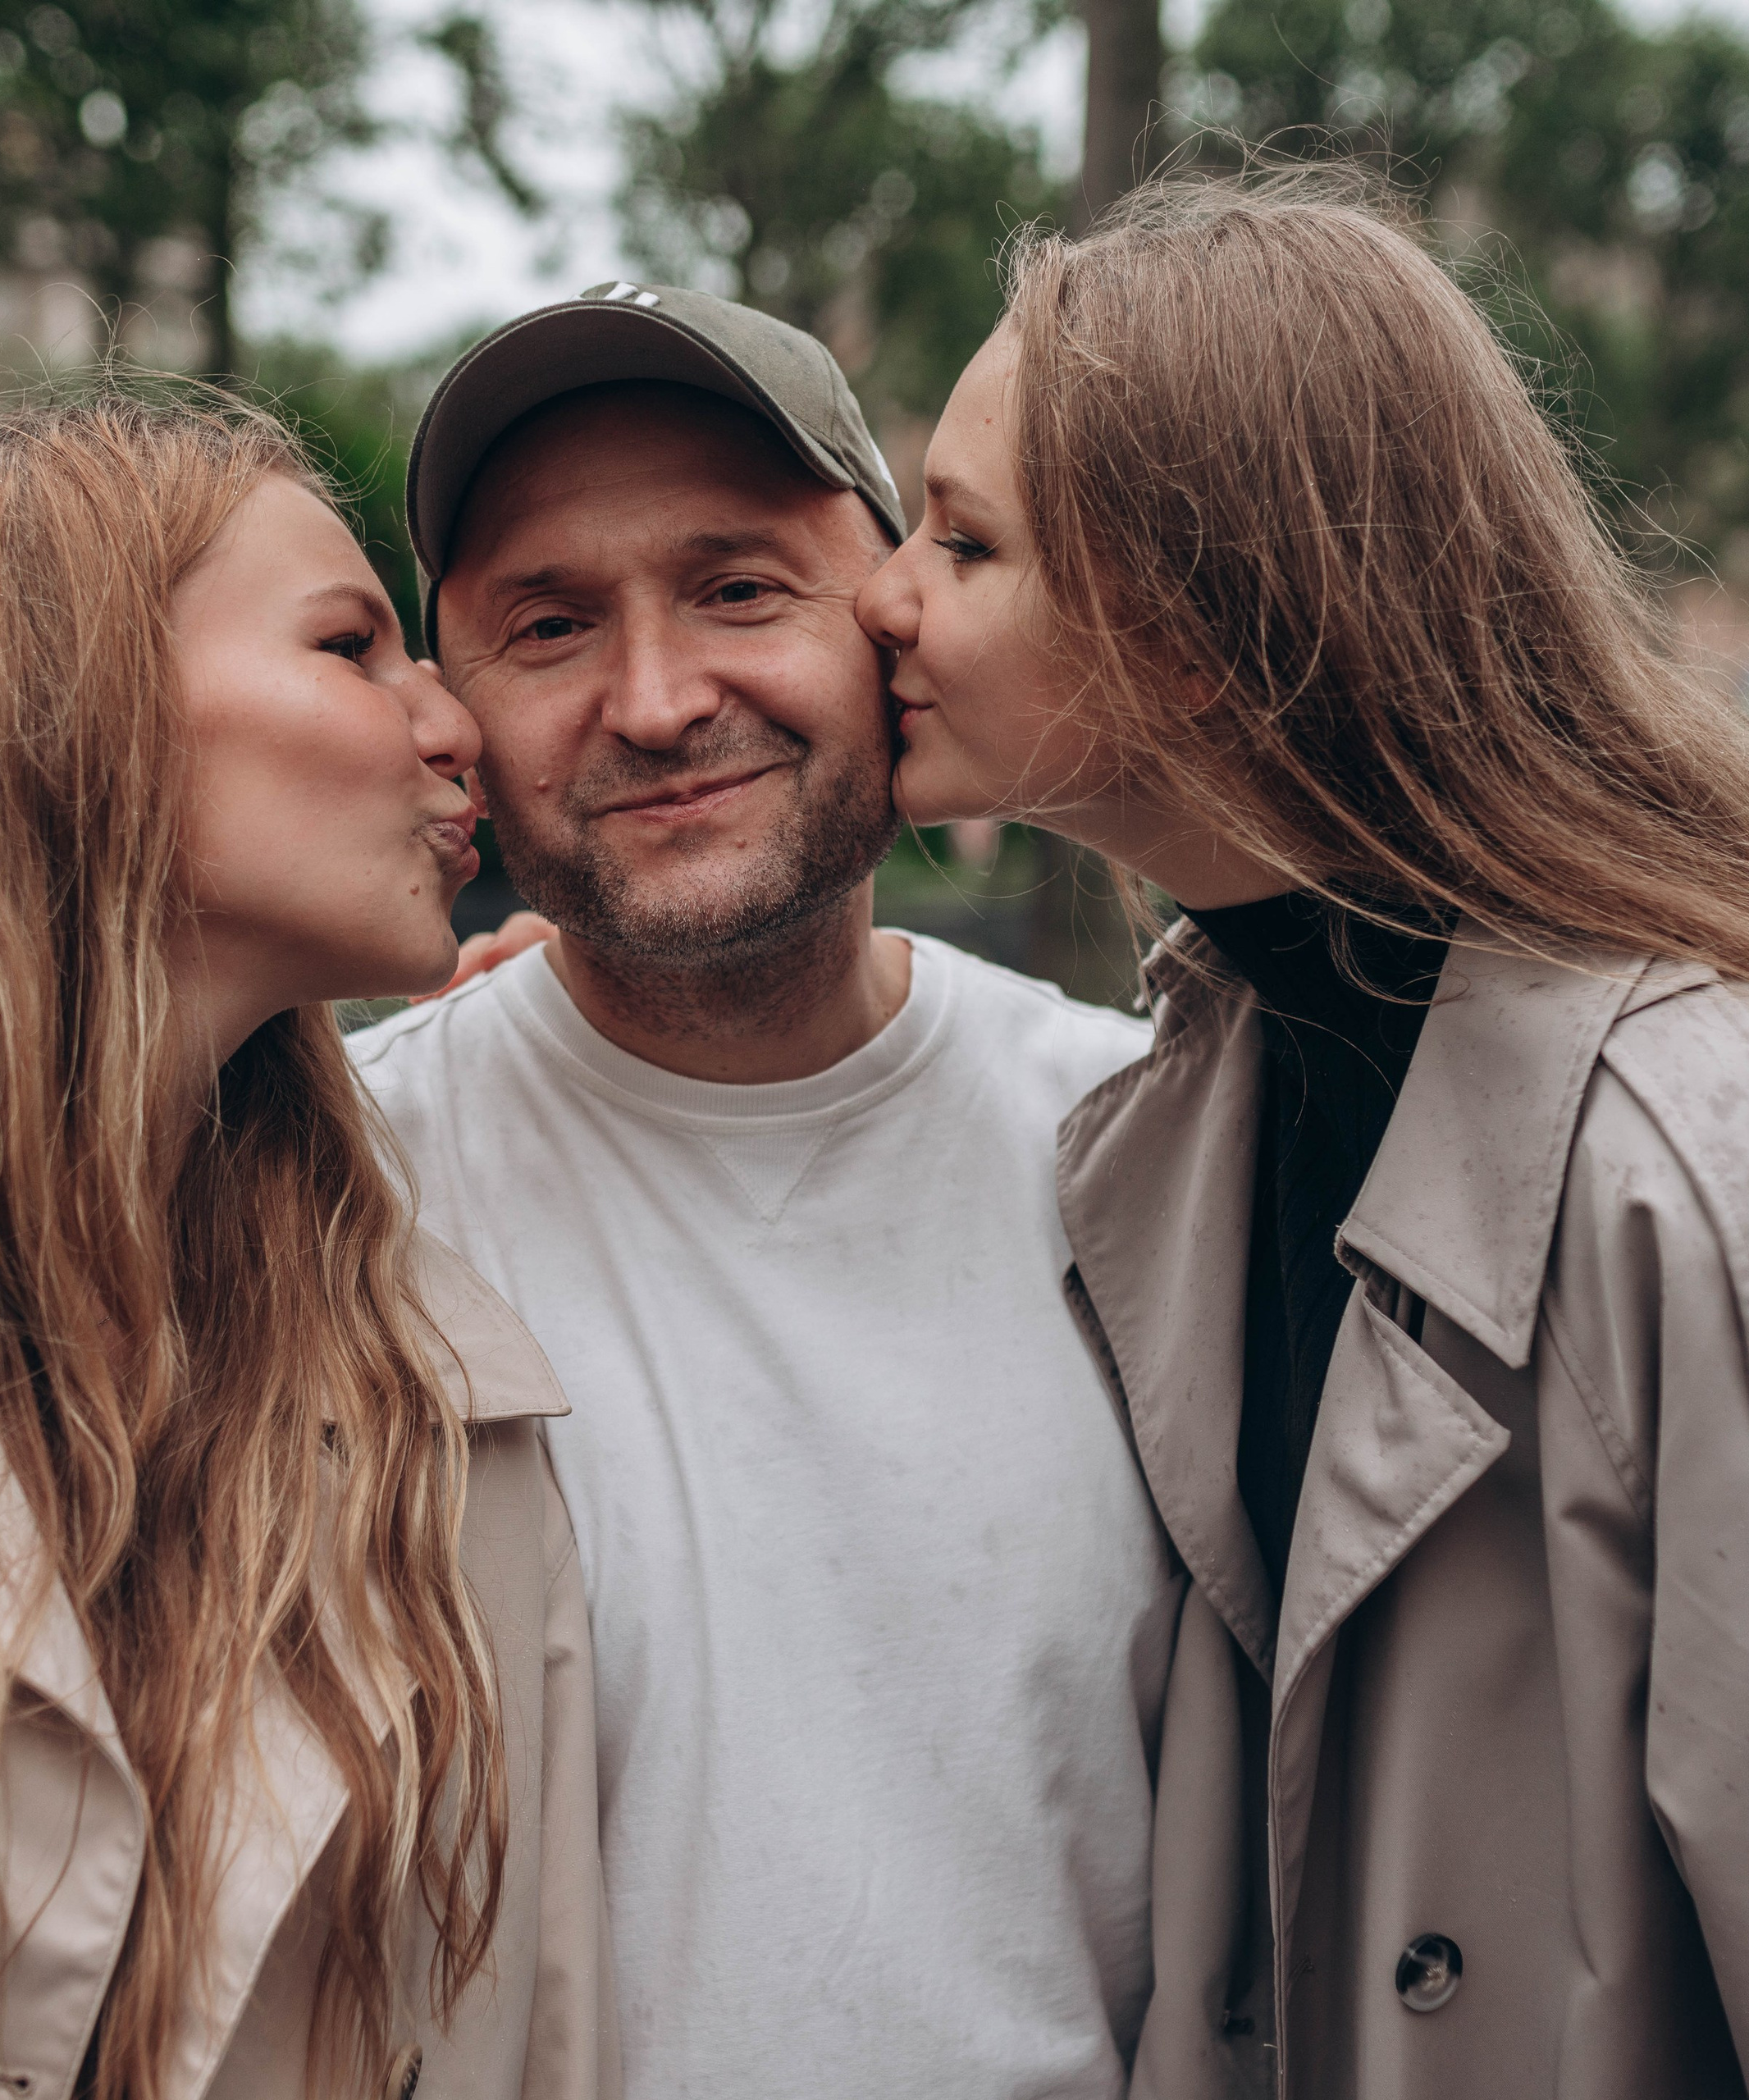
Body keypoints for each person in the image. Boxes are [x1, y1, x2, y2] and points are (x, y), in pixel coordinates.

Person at [856, 169, 1749, 2098]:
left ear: (1187, 628)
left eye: (962, 537)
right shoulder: (1171, 1108)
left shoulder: (1688, 1156)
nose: (880, 592)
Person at [0, 394, 616, 2100]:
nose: (452, 718)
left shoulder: (443, 1423)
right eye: (350, 643)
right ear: (59, 709)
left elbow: (525, 2041)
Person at [350, 282, 1185, 2098]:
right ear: (452, 708)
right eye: (548, 623)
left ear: (893, 618)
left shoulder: (1157, 1157)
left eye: (738, 588)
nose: (656, 702)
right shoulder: (313, 1206)